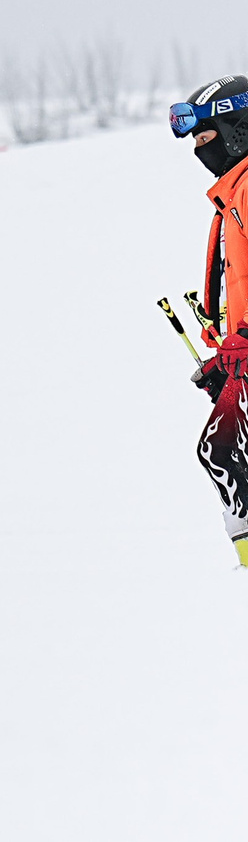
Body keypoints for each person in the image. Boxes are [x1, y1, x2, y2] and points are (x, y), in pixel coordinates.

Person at [171, 77, 248, 568]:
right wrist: (224, 348)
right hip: (240, 355)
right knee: (225, 453)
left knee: (223, 451)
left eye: (207, 138)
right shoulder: (233, 194)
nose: (202, 152)